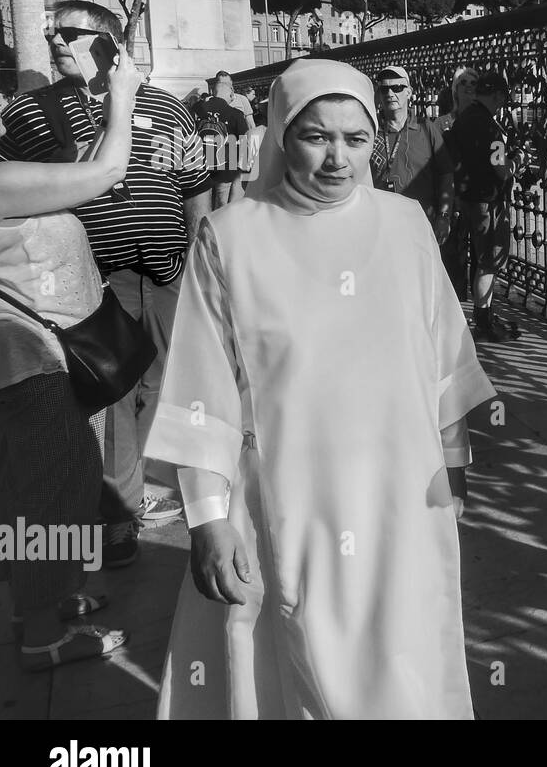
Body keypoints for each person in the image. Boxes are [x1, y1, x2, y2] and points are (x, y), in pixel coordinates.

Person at [144, 59, 497, 719]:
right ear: (281, 135)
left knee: (402, 653)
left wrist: (455, 459)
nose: (338, 158)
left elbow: (443, 347)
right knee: (298, 652)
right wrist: (208, 519)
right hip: (286, 493)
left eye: (355, 140)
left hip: (401, 492)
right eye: (316, 137)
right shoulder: (232, 237)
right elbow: (203, 385)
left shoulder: (404, 224)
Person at [0, 1, 211, 566]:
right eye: (51, 33)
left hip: (167, 271)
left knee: (163, 385)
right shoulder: (26, 116)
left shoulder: (167, 108)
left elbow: (193, 182)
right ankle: (117, 519)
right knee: (110, 390)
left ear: (109, 43)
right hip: (90, 282)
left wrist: (197, 256)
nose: (54, 41)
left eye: (68, 33)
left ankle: (139, 491)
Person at [0, 45, 141, 671]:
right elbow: (106, 172)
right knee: (48, 493)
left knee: (56, 484)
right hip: (33, 366)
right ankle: (40, 634)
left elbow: (76, 171)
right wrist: (126, 99)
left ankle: (53, 596)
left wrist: (94, 97)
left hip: (43, 359)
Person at [446, 70, 520, 342]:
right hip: (487, 202)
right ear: (497, 95)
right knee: (489, 262)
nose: (502, 103)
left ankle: (485, 316)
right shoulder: (490, 128)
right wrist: (518, 160)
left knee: (481, 259)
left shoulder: (464, 119)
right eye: (502, 98)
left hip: (466, 197)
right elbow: (501, 169)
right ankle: (483, 321)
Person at [370, 64, 456, 244]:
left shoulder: (426, 129)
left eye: (397, 88)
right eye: (384, 89)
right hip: (382, 227)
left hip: (423, 225)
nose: (390, 93)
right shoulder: (370, 132)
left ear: (409, 92)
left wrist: (444, 216)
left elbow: (446, 174)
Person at [433, 66, 479, 300]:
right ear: (455, 90)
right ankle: (456, 305)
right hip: (455, 198)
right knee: (454, 256)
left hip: (479, 198)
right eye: (463, 83)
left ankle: (483, 312)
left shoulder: (486, 121)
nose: (469, 87)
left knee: (482, 258)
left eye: (474, 83)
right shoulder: (441, 124)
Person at [195, 72, 250, 209]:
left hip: (201, 171)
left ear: (213, 92)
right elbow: (247, 144)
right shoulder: (235, 114)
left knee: (203, 210)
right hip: (226, 171)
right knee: (223, 212)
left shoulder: (197, 110)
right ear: (231, 95)